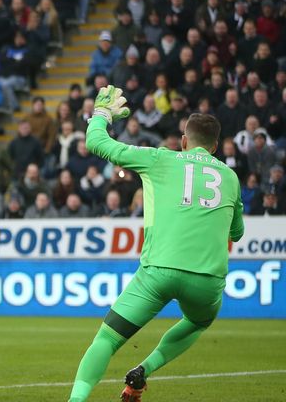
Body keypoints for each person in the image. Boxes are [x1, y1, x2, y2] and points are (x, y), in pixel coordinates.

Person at [68, 86, 244, 402]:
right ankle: (144, 371)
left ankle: (76, 400)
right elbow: (237, 233)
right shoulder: (230, 178)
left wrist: (101, 114)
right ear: (215, 147)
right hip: (207, 281)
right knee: (196, 322)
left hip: (158, 272)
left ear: (184, 142)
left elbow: (96, 142)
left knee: (107, 339)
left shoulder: (160, 159)